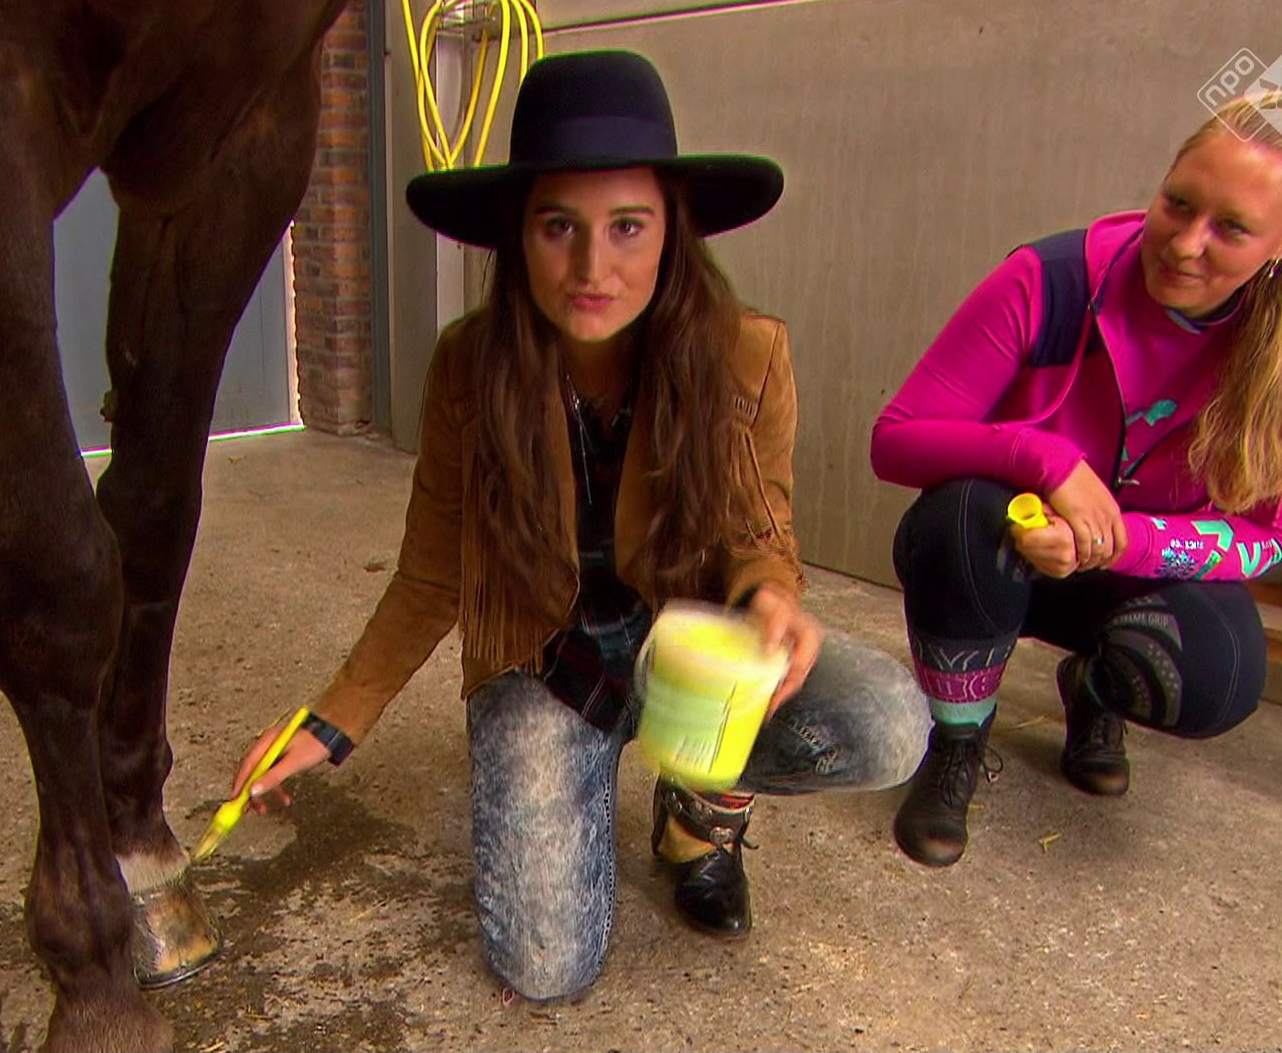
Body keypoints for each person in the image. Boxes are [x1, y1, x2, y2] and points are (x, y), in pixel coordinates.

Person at [229, 50, 928, 1001]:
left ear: (672, 232)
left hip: (690, 655)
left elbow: (761, 530)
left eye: (627, 226)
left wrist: (772, 597)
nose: (593, 268)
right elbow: (431, 575)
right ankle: (577, 773)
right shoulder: (468, 368)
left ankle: (699, 804)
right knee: (546, 971)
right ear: (518, 237)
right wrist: (334, 718)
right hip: (546, 659)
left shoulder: (745, 353)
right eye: (559, 226)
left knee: (888, 722)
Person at [872, 93, 1282, 867]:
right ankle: (958, 739)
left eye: (1231, 229)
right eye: (1178, 203)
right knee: (957, 517)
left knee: (1220, 674)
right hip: (1010, 553)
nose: (1185, 244)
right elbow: (897, 439)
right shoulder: (1051, 278)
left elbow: (1268, 537)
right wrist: (1044, 460)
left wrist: (1117, 540)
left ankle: (1094, 691)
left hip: (1138, 570)